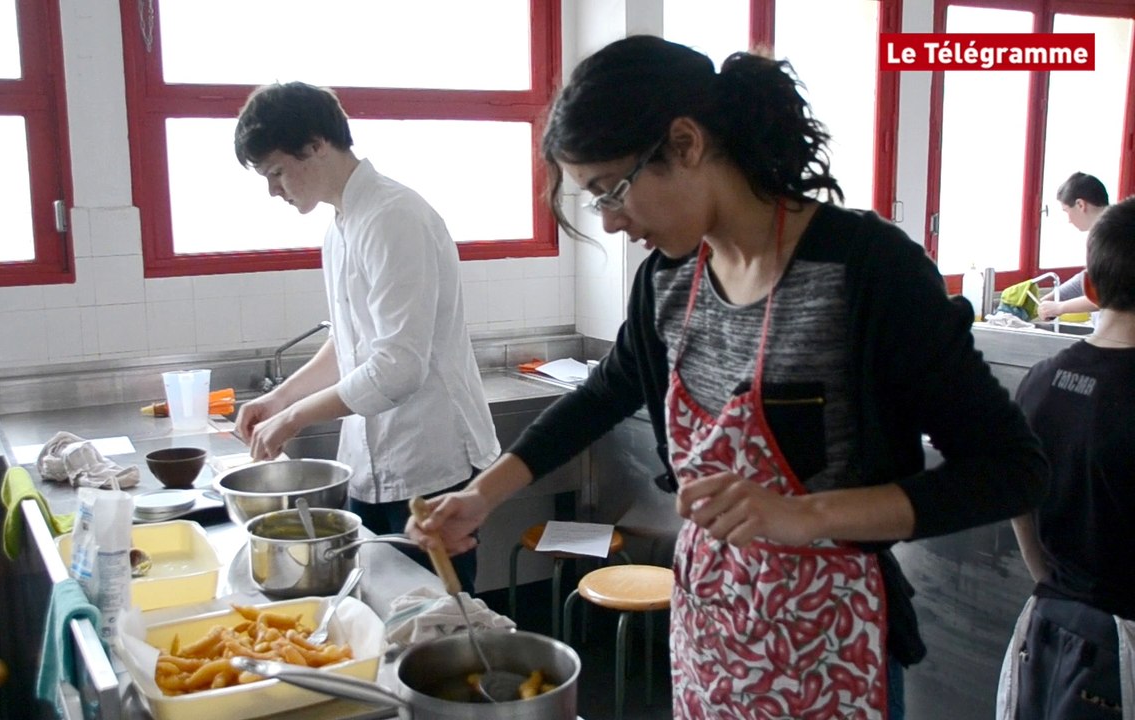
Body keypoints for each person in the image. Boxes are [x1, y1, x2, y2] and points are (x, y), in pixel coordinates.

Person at [408, 36, 1048, 719]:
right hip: (709, 629)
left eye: (611, 190)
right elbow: (602, 394)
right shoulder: (668, 281)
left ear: (685, 143)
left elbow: (1012, 472)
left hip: (831, 641)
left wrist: (805, 515)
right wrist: (481, 496)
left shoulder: (866, 271)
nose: (613, 222)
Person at [232, 81, 500, 592]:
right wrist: (279, 399)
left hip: (428, 462)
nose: (274, 190)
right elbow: (351, 342)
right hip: (369, 465)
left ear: (316, 145)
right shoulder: (340, 227)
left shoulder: (393, 217)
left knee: (437, 616)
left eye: (276, 172)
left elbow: (398, 367)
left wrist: (293, 418)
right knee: (373, 602)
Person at [999, 196, 1135, 719]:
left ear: (1092, 289)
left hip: (1048, 624)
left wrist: (1055, 582)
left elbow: (1019, 501)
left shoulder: (1039, 381)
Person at [1037, 172, 1109, 321]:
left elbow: (1106, 296)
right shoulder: (1102, 233)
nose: (1069, 220)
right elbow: (1090, 278)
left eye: (1066, 211)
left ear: (1080, 205)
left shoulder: (1112, 237)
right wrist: (1056, 296)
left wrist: (1060, 307)